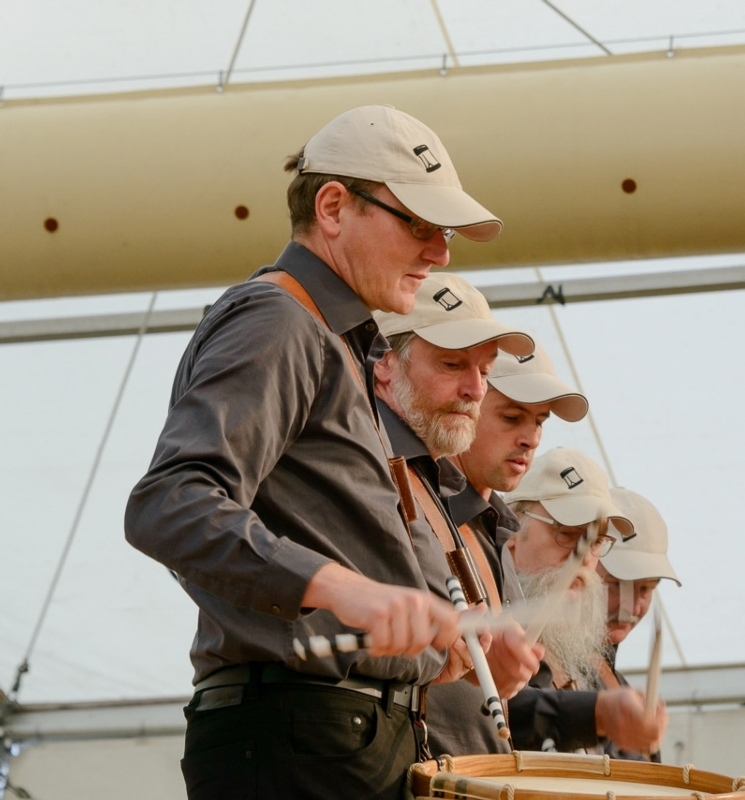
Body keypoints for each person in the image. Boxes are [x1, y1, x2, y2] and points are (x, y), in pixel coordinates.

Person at [125, 105, 500, 799]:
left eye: (444, 232)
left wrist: (424, 648)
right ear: (332, 207)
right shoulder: (279, 320)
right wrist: (344, 589)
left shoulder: (334, 341)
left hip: (332, 734)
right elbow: (170, 504)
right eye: (419, 224)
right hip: (301, 736)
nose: (440, 254)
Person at [371, 273, 543, 756]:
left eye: (485, 371)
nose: (475, 389)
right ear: (384, 362)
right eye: (452, 364)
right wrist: (443, 651)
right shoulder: (360, 460)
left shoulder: (430, 480)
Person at [427, 343, 590, 755]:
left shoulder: (495, 533)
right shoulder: (421, 516)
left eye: (540, 422)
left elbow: (508, 703)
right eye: (512, 417)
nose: (531, 439)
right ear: (469, 404)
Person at [503, 448, 668, 756]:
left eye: (597, 541)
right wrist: (597, 713)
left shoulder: (578, 656)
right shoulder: (480, 620)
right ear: (512, 527)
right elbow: (492, 717)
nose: (583, 559)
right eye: (567, 534)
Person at [597, 486, 682, 761]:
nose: (631, 608)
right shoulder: (539, 671)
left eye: (645, 589)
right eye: (616, 584)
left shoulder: (622, 688)